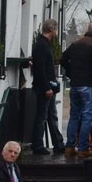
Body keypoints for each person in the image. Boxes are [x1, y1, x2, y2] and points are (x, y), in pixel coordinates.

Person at [59, 22, 92, 157]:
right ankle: (83, 148)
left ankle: (69, 147)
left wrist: (70, 72)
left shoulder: (75, 44)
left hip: (74, 85)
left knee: (74, 116)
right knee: (88, 116)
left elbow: (62, 58)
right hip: (89, 86)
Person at [30, 18, 63, 154]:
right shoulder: (42, 45)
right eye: (55, 29)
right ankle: (38, 145)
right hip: (45, 88)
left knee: (50, 115)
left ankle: (58, 143)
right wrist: (47, 88)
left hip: (46, 87)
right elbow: (40, 69)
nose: (56, 32)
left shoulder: (43, 44)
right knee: (43, 116)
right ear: (51, 29)